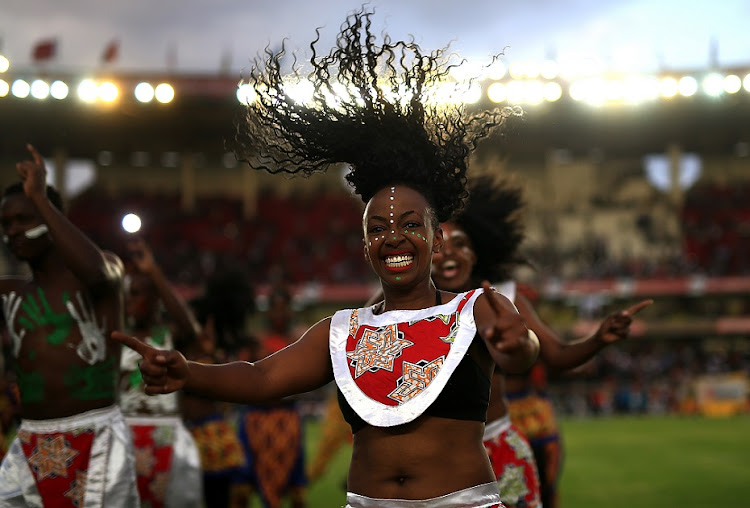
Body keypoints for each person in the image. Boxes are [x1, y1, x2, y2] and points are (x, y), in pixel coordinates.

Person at [113, 8, 538, 507]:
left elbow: (520, 351)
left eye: (409, 226)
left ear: (437, 239)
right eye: (377, 229)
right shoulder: (342, 330)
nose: (393, 238)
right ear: (364, 247)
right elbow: (263, 377)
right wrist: (190, 371)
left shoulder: (477, 309)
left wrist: (519, 342)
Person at [431, 174, 652, 508]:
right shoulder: (397, 306)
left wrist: (598, 339)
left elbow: (557, 355)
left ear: (477, 254)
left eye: (461, 243)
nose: (449, 253)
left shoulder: (503, 298)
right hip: (430, 459)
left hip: (496, 448)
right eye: (438, 244)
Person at [0, 145, 139, 506]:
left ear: (52, 220)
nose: (12, 232)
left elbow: (96, 271)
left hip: (96, 435)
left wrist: (41, 200)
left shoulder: (102, 271)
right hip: (29, 439)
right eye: (6, 225)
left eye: (23, 220)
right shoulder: (10, 293)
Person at [119, 237, 203, 507]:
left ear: (154, 297)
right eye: (127, 294)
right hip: (125, 431)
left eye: (138, 293)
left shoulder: (166, 335)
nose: (130, 301)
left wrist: (154, 272)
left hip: (166, 429)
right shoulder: (116, 338)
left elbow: (191, 329)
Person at [231, 285, 308, 508]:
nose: (279, 314)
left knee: (296, 491)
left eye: (284, 308)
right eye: (275, 309)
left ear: (291, 311)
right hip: (255, 417)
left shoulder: (300, 340)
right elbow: (242, 377)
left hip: (287, 418)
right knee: (241, 489)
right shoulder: (256, 342)